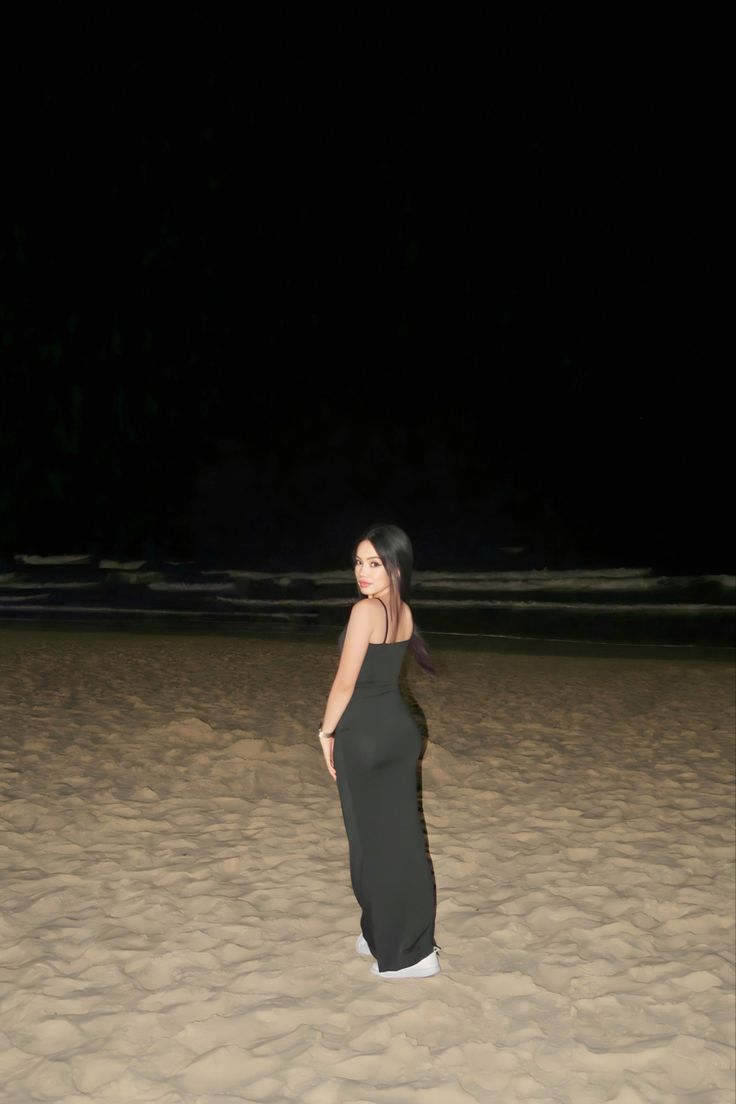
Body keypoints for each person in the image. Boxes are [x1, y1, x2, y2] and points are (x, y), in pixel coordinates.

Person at [318, 522, 441, 978]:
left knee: (372, 846)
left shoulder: (365, 612)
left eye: (373, 563)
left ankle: (405, 955)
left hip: (364, 737)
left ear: (395, 566)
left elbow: (345, 684)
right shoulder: (403, 611)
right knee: (403, 841)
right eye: (358, 562)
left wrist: (325, 733)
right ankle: (388, 935)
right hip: (399, 732)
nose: (362, 572)